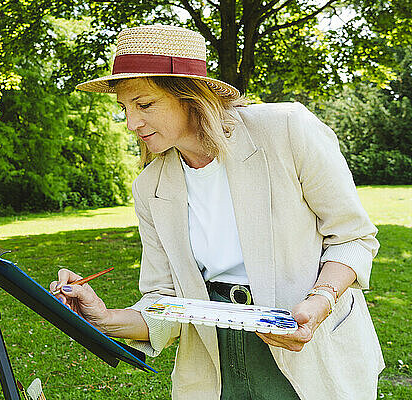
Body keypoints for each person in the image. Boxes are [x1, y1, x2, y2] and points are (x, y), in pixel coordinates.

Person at [49, 25, 384, 400]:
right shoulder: (150, 187)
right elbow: (165, 303)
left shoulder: (288, 129)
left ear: (192, 96)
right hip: (213, 365)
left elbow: (353, 237)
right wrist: (104, 318)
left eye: (144, 104)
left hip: (310, 351)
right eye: (124, 108)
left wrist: (320, 301)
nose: (131, 123)